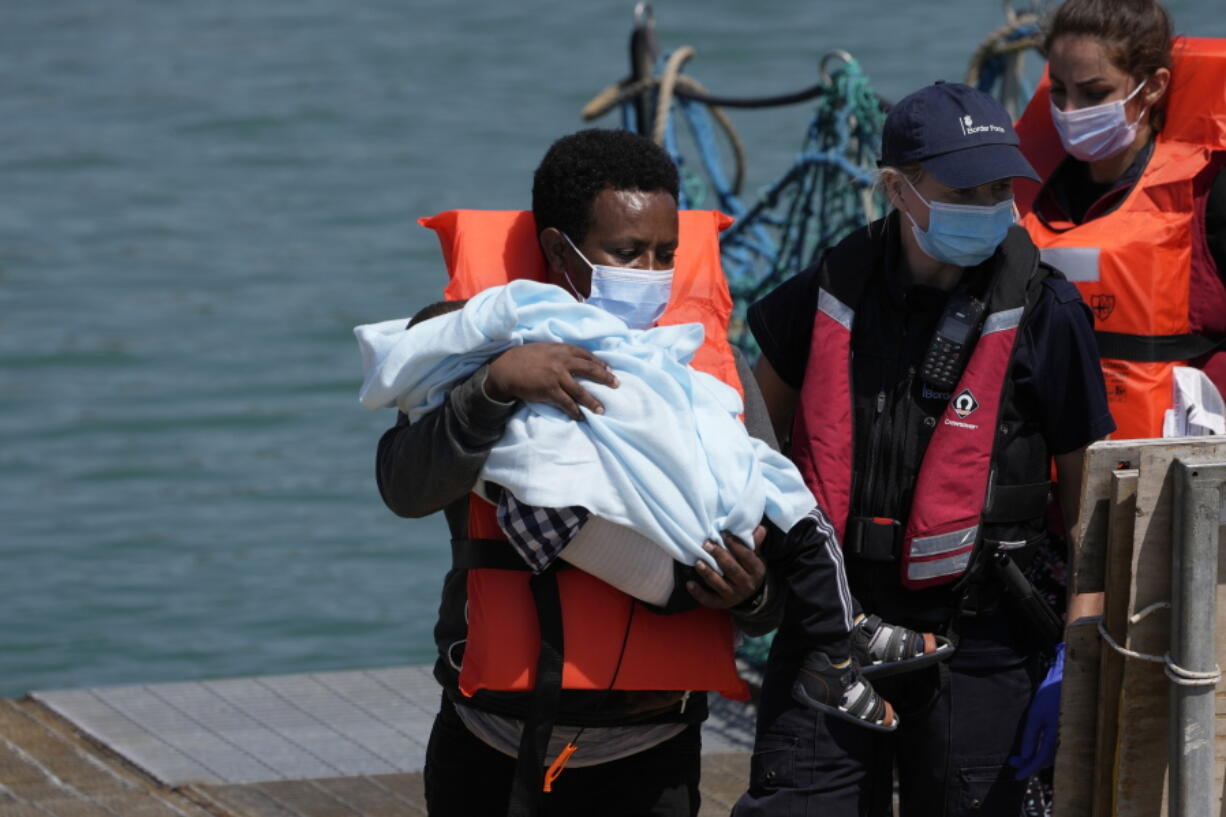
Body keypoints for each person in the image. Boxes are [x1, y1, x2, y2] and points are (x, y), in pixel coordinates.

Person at [374, 129, 937, 817]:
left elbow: (772, 575)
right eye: (626, 252)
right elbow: (403, 487)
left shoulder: (704, 376)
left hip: (653, 754)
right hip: (490, 743)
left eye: (665, 254)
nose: (649, 271)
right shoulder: (478, 350)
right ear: (560, 250)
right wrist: (495, 385)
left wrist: (751, 594)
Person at [731, 82, 1115, 817]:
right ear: (897, 190)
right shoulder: (825, 292)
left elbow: (1089, 487)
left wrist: (1081, 638)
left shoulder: (1048, 312)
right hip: (834, 625)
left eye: (1000, 186)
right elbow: (749, 433)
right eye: (964, 188)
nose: (987, 205)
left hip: (983, 639)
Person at [1014, 0, 1226, 440]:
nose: (1070, 112)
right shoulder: (1025, 191)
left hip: (1173, 457)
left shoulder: (1207, 191)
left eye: (1094, 94)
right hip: (1047, 459)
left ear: (1152, 87)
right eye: (1058, 91)